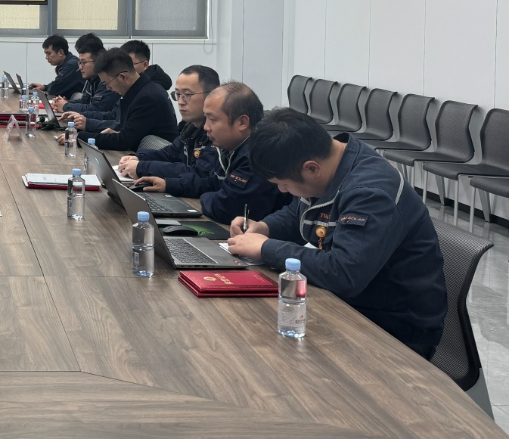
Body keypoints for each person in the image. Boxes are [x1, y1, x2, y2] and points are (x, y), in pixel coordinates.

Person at [227, 108, 447, 357]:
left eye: (284, 184)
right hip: (352, 302)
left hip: (393, 328)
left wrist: (266, 248)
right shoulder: (329, 163)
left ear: (312, 169)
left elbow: (344, 272)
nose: (283, 191)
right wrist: (264, 228)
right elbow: (299, 213)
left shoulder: (370, 192)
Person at [134, 82, 290, 224]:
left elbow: (224, 208)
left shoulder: (258, 156)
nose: (206, 127)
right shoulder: (229, 147)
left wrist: (209, 195)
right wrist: (169, 184)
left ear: (242, 122)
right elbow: (211, 182)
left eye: (212, 120)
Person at [117, 65, 220, 180]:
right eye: (178, 94)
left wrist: (143, 167)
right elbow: (172, 153)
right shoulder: (190, 126)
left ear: (211, 96)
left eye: (187, 95)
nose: (180, 102)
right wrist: (139, 158)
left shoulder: (216, 133)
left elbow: (197, 173)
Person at [76, 49, 177, 152]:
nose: (107, 88)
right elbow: (127, 134)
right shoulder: (137, 91)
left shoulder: (147, 98)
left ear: (122, 77)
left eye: (107, 83)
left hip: (155, 158)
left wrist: (79, 137)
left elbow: (123, 141)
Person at [54, 34, 119, 123]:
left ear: (98, 62)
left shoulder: (107, 81)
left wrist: (66, 106)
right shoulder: (91, 79)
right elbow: (85, 101)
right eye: (80, 63)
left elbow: (96, 108)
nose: (80, 67)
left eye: (83, 63)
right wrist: (65, 103)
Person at [27, 35, 81, 99]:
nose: (46, 57)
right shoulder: (63, 65)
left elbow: (55, 89)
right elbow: (58, 84)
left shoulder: (71, 65)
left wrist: (49, 87)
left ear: (61, 52)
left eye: (49, 53)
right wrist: (44, 87)